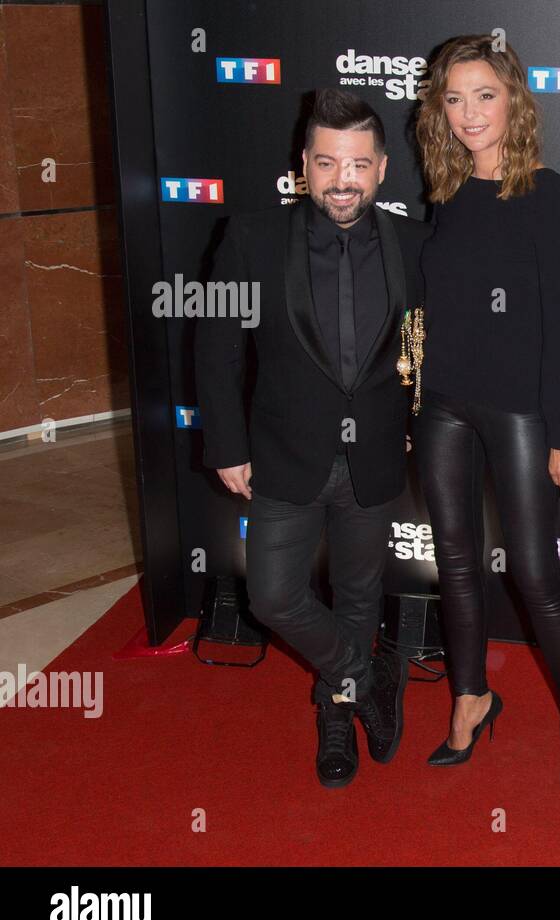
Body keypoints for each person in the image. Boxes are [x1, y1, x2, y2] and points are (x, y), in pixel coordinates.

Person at [195, 89, 432, 788]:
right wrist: (226, 443)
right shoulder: (250, 235)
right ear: (304, 165)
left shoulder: (416, 243)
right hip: (282, 453)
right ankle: (365, 669)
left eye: (357, 164)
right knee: (273, 597)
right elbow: (216, 349)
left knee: (359, 596)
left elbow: (435, 351)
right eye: (327, 163)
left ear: (382, 167)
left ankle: (339, 711)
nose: (342, 180)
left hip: (378, 455)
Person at [411, 35, 560, 797]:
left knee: (533, 571)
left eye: (483, 95)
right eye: (453, 99)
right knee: (453, 565)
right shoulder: (446, 191)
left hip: (522, 410)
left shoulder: (548, 194)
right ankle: (470, 698)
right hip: (444, 406)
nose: (468, 113)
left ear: (514, 100)